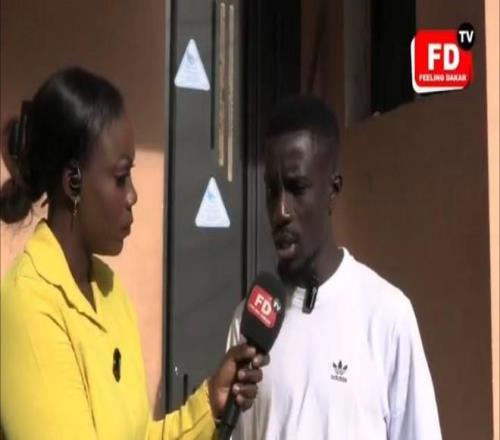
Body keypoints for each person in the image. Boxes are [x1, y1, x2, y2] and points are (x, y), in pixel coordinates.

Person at [0, 67, 267, 440]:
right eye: (120, 177)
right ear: (73, 181)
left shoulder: (109, 291)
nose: (133, 196)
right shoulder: (29, 306)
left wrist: (210, 402)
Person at [226, 96, 442, 439]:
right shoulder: (248, 323)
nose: (281, 211)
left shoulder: (387, 316)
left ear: (332, 189)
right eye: (272, 191)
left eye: (297, 189)